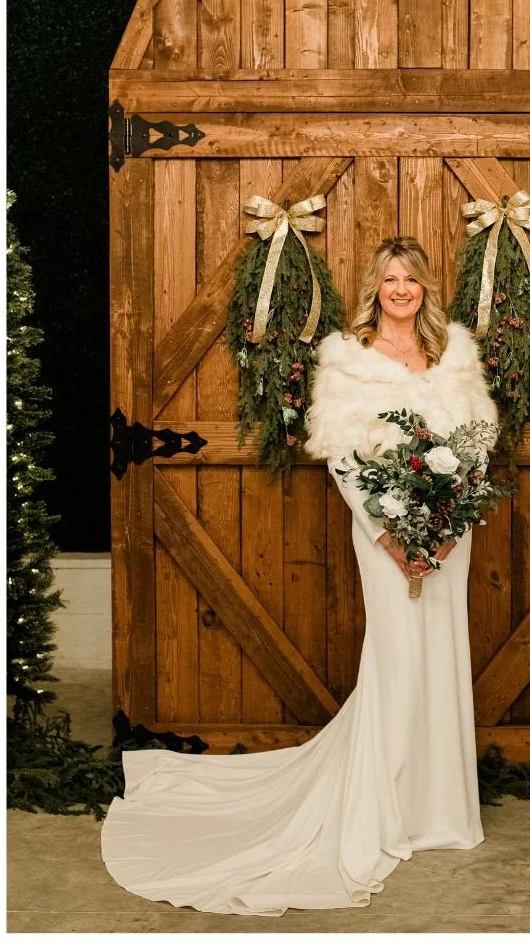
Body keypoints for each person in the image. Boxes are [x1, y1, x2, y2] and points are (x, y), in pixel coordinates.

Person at [102, 236, 499, 916]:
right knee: (399, 656)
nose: (400, 289)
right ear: (375, 289)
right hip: (383, 531)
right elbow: (345, 461)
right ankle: (391, 806)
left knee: (444, 653)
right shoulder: (349, 361)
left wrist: (453, 522)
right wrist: (389, 534)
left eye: (411, 279)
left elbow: (476, 445)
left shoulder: (455, 356)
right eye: (389, 279)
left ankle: (443, 809)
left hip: (448, 533)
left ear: (426, 288)